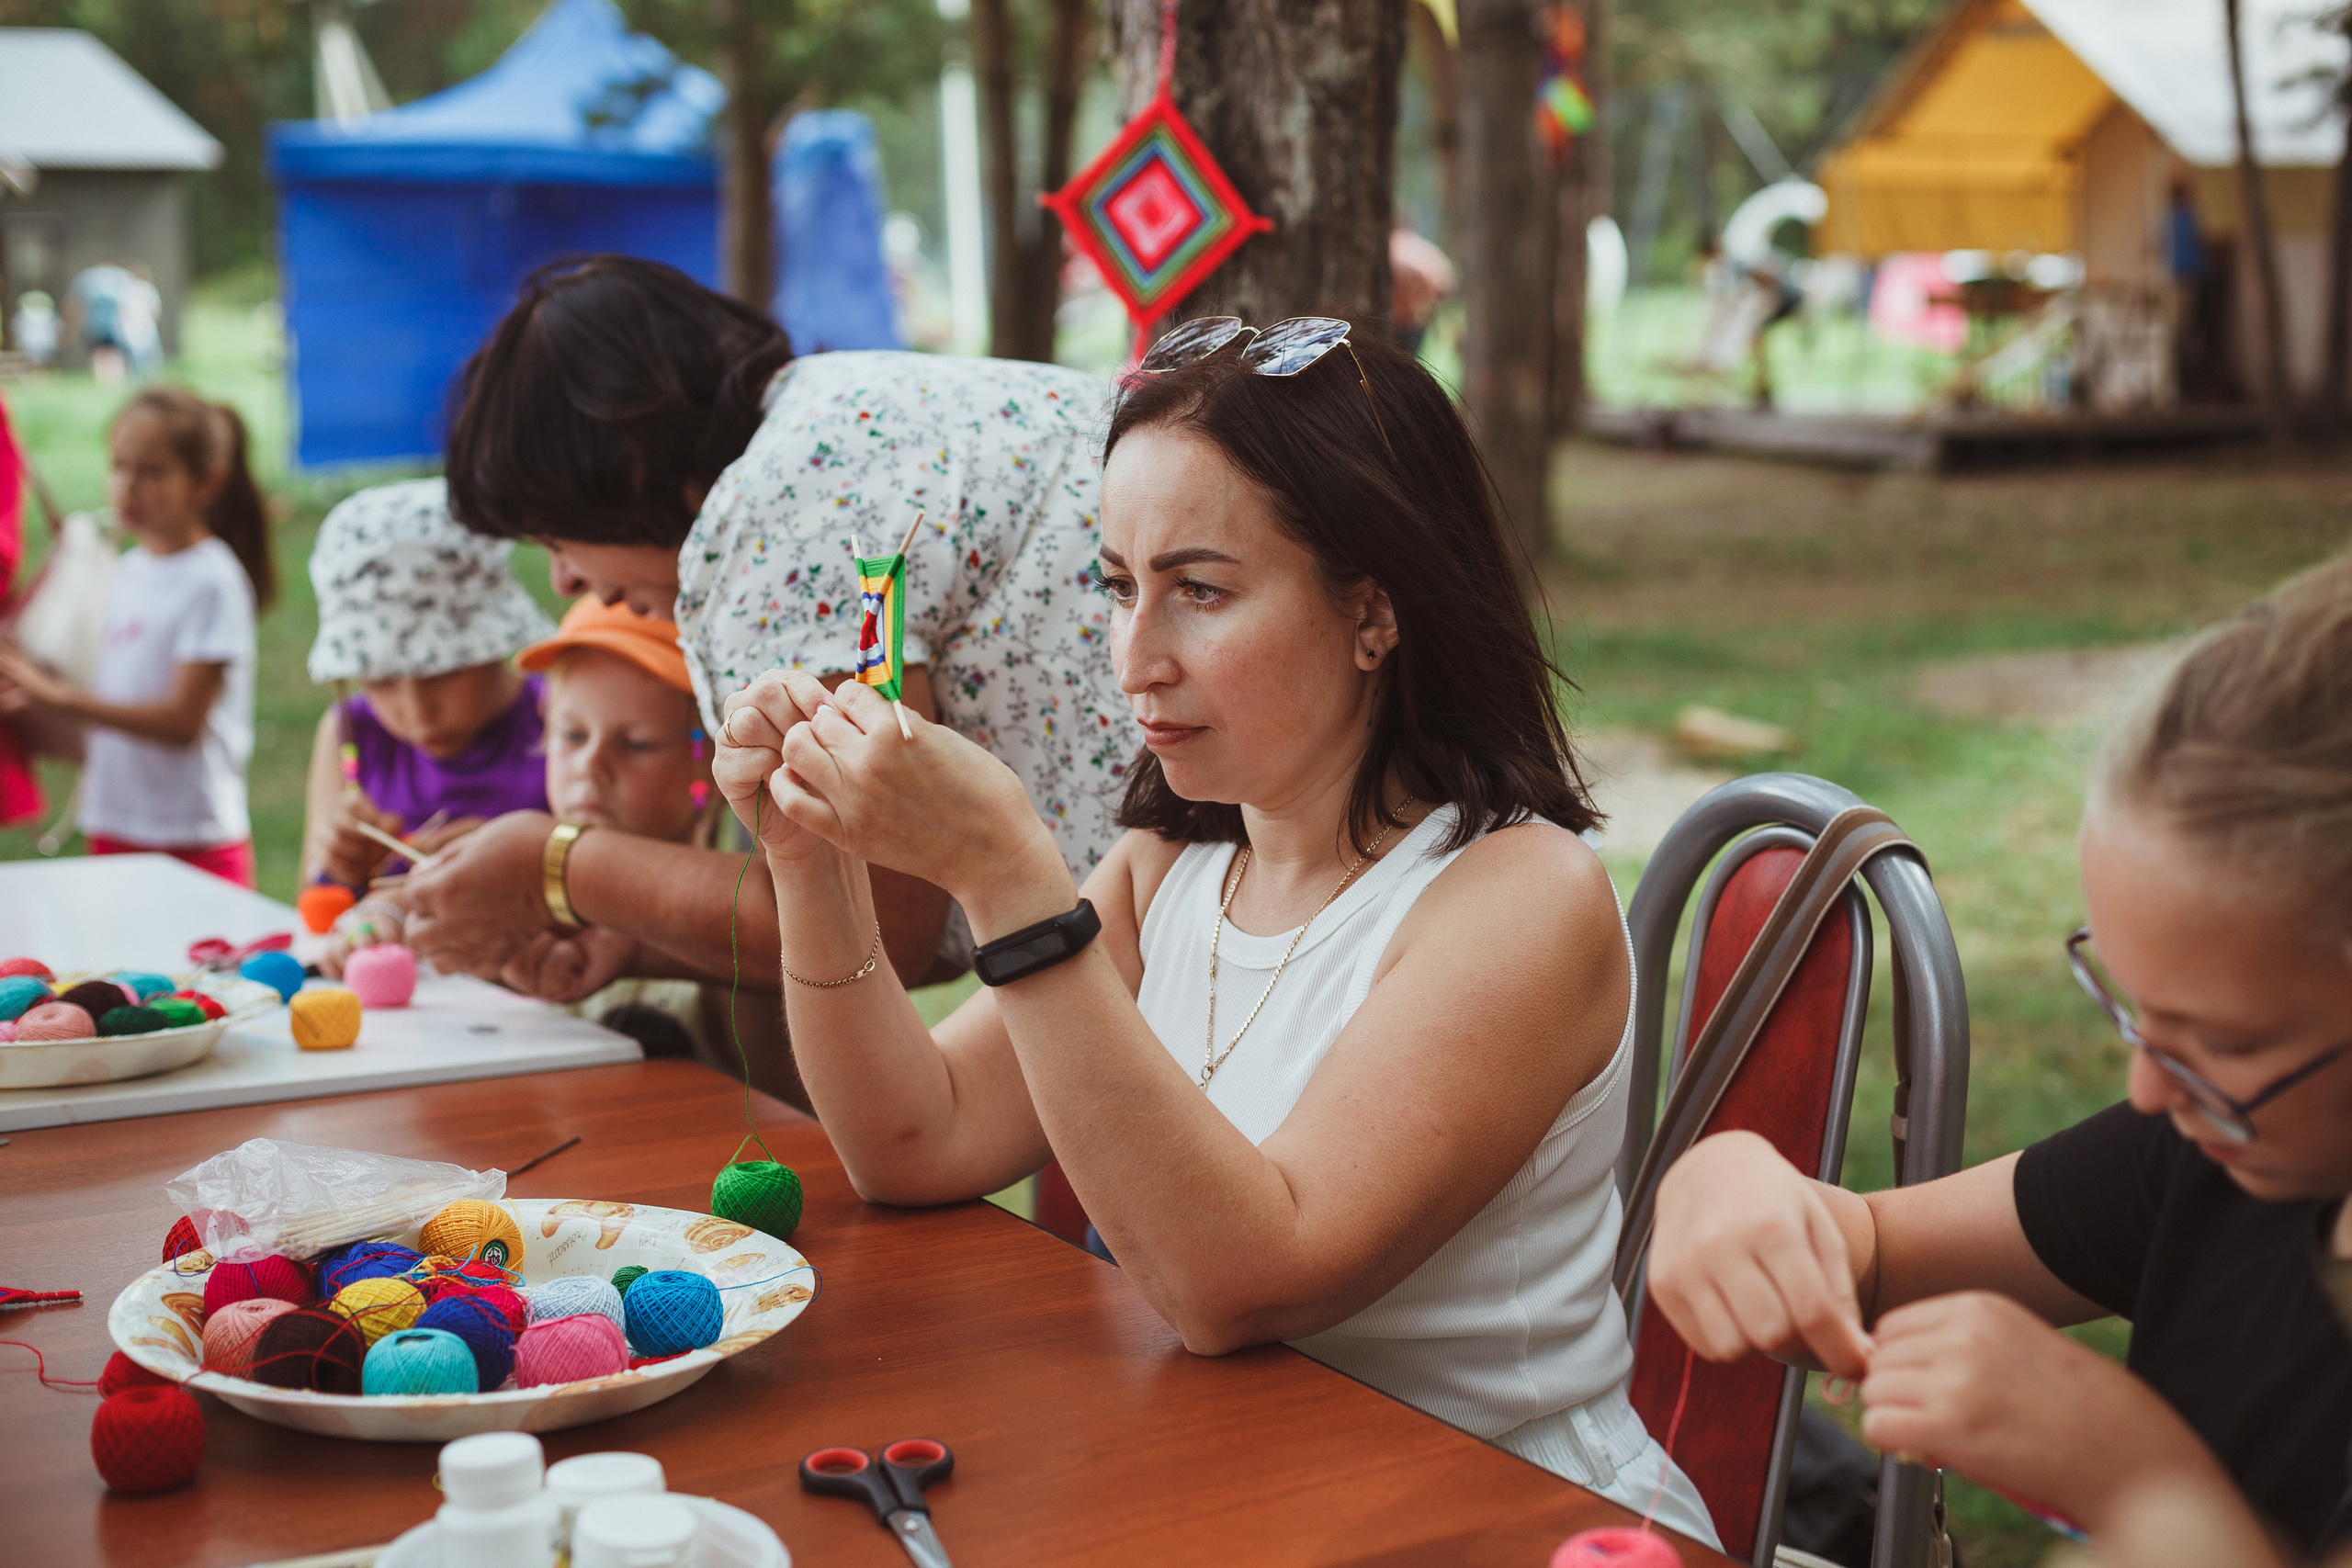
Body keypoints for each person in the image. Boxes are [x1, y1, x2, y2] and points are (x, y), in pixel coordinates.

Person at [709, 319, 1720, 1542]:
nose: (1135, 660)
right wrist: (808, 860)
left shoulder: (1519, 895)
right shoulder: (1173, 866)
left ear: (1374, 611)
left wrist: (1010, 879)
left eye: (1199, 590)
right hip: (1255, 1491)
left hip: (1508, 1512)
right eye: (1119, 585)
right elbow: (912, 1141)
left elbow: (1239, 1285)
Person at [1643, 551, 2352, 1560]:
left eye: (2226, 1043)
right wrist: (1737, 1187)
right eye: (2139, 1011)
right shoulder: (2212, 1161)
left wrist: (2138, 1480)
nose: (2148, 1088)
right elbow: (1877, 1252)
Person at [400, 254, 1136, 1007]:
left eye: (556, 538)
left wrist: (555, 869)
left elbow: (869, 929)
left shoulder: (774, 520)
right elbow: (915, 908)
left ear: (617, 470)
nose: (564, 581)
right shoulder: (835, 414)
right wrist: (622, 929)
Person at [0, 388, 271, 885]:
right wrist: (32, 700)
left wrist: (59, 697)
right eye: (118, 466)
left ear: (207, 480)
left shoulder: (212, 581)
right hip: (114, 823)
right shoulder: (126, 570)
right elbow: (117, 696)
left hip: (194, 837)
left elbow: (182, 721)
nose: (127, 487)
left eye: (153, 471)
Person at [300, 480, 556, 890]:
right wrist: (343, 871)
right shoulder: (350, 731)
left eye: (443, 671)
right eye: (380, 678)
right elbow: (314, 906)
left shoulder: (562, 724)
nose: (417, 711)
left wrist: (532, 859)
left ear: (494, 642)